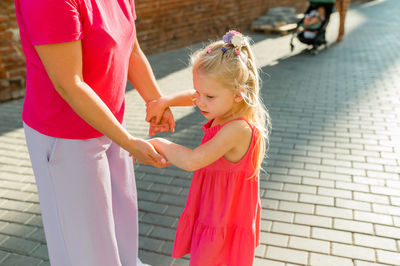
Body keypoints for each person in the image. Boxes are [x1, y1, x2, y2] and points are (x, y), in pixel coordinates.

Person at [14, 0, 174, 265]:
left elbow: (131, 48)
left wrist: (156, 100)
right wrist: (130, 142)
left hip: (111, 126)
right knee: (85, 246)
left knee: (123, 231)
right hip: (64, 137)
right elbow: (70, 84)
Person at [146, 30, 271, 266]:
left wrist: (157, 144)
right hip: (214, 210)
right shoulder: (225, 108)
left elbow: (194, 160)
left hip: (223, 218)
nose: (200, 102)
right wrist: (166, 101)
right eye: (198, 92)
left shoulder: (238, 129)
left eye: (209, 97)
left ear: (238, 94)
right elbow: (194, 97)